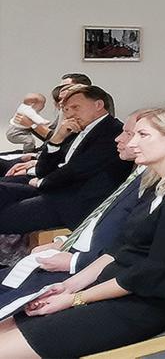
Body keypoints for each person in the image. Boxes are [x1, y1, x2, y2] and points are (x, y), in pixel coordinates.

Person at [0, 107, 165, 357]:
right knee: (7, 323)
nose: (132, 142)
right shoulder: (157, 184)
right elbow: (120, 249)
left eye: (142, 135)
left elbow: (152, 273)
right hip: (115, 285)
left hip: (141, 304)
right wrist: (68, 287)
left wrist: (76, 299)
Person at [0, 111, 146, 310]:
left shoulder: (151, 181)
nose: (68, 111)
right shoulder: (138, 174)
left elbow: (135, 249)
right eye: (64, 107)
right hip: (66, 211)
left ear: (97, 105)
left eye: (74, 106)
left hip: (70, 205)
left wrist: (75, 262)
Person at [0, 85, 131, 234]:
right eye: (67, 110)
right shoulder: (76, 129)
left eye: (76, 107)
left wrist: (41, 182)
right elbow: (43, 170)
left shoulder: (113, 132)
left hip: (72, 202)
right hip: (54, 189)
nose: (70, 114)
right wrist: (57, 138)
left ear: (98, 105)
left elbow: (78, 169)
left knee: (5, 217)